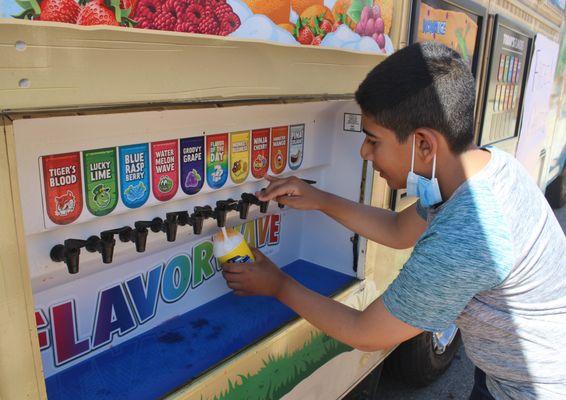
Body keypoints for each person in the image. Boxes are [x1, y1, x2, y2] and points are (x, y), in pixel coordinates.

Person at [220, 41, 566, 400]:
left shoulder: (470, 232)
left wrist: (278, 285)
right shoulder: (484, 169)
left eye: (373, 140)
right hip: (505, 374)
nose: (364, 153)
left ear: (424, 144)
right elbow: (398, 230)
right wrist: (319, 199)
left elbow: (364, 332)